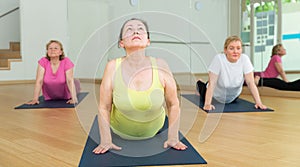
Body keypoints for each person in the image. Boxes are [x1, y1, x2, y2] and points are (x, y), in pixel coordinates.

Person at [92, 18, 187, 154]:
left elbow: (173, 104)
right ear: (121, 43)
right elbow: (104, 106)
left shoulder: (161, 65)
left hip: (154, 131)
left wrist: (173, 137)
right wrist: (106, 140)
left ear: (148, 41)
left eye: (140, 29)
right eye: (129, 29)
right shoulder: (112, 66)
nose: (135, 31)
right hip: (119, 132)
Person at [196, 35, 267, 111]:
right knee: (202, 87)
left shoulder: (244, 59)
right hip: (215, 96)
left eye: (238, 48)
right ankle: (198, 82)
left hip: (233, 98)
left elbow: (251, 83)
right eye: (231, 48)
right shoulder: (219, 59)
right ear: (225, 50)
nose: (235, 51)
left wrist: (259, 102)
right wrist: (207, 104)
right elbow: (212, 83)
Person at [27, 40, 80, 105]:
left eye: (56, 48)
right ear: (47, 52)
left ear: (60, 52)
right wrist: (35, 99)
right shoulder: (43, 61)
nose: (53, 50)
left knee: (75, 82)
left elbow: (69, 81)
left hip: (67, 93)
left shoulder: (66, 61)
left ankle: (77, 83)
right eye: (50, 48)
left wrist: (74, 98)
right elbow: (39, 81)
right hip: (51, 95)